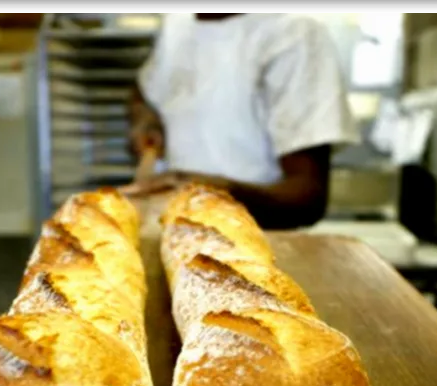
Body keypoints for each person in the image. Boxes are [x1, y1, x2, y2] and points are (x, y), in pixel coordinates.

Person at [124, 13, 358, 229]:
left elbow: (307, 198)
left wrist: (212, 194)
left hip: (256, 244)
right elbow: (144, 90)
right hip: (175, 230)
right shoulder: (178, 23)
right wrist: (145, 119)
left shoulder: (295, 34)